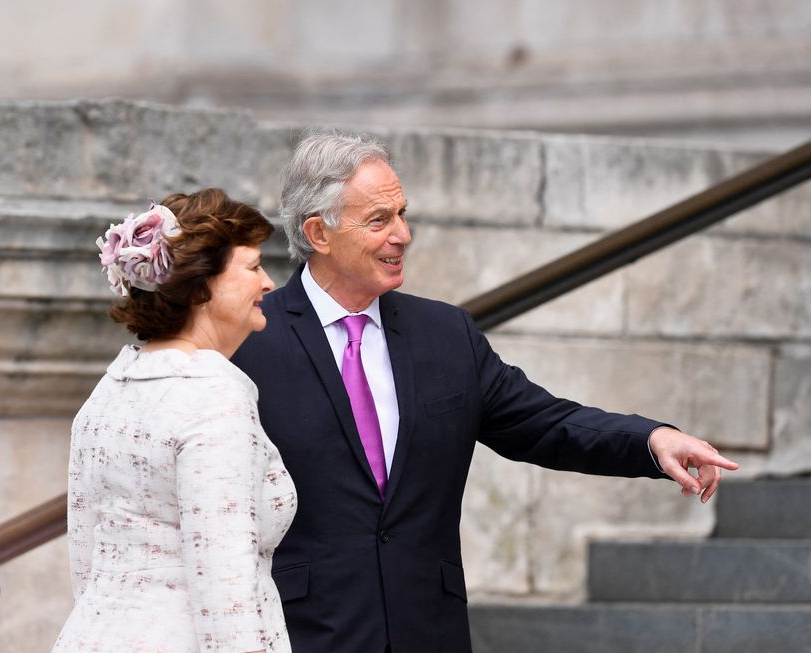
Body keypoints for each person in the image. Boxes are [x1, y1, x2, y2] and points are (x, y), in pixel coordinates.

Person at [230, 133, 739, 653]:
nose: (403, 235)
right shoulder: (249, 338)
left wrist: (652, 440)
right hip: (304, 633)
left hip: (429, 630)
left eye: (403, 214)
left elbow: (545, 423)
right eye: (379, 220)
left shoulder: (446, 334)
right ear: (319, 232)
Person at [52, 189, 297, 653]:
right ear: (203, 285)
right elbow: (224, 585)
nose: (268, 283)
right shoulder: (213, 395)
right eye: (252, 267)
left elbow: (86, 564)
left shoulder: (108, 392)